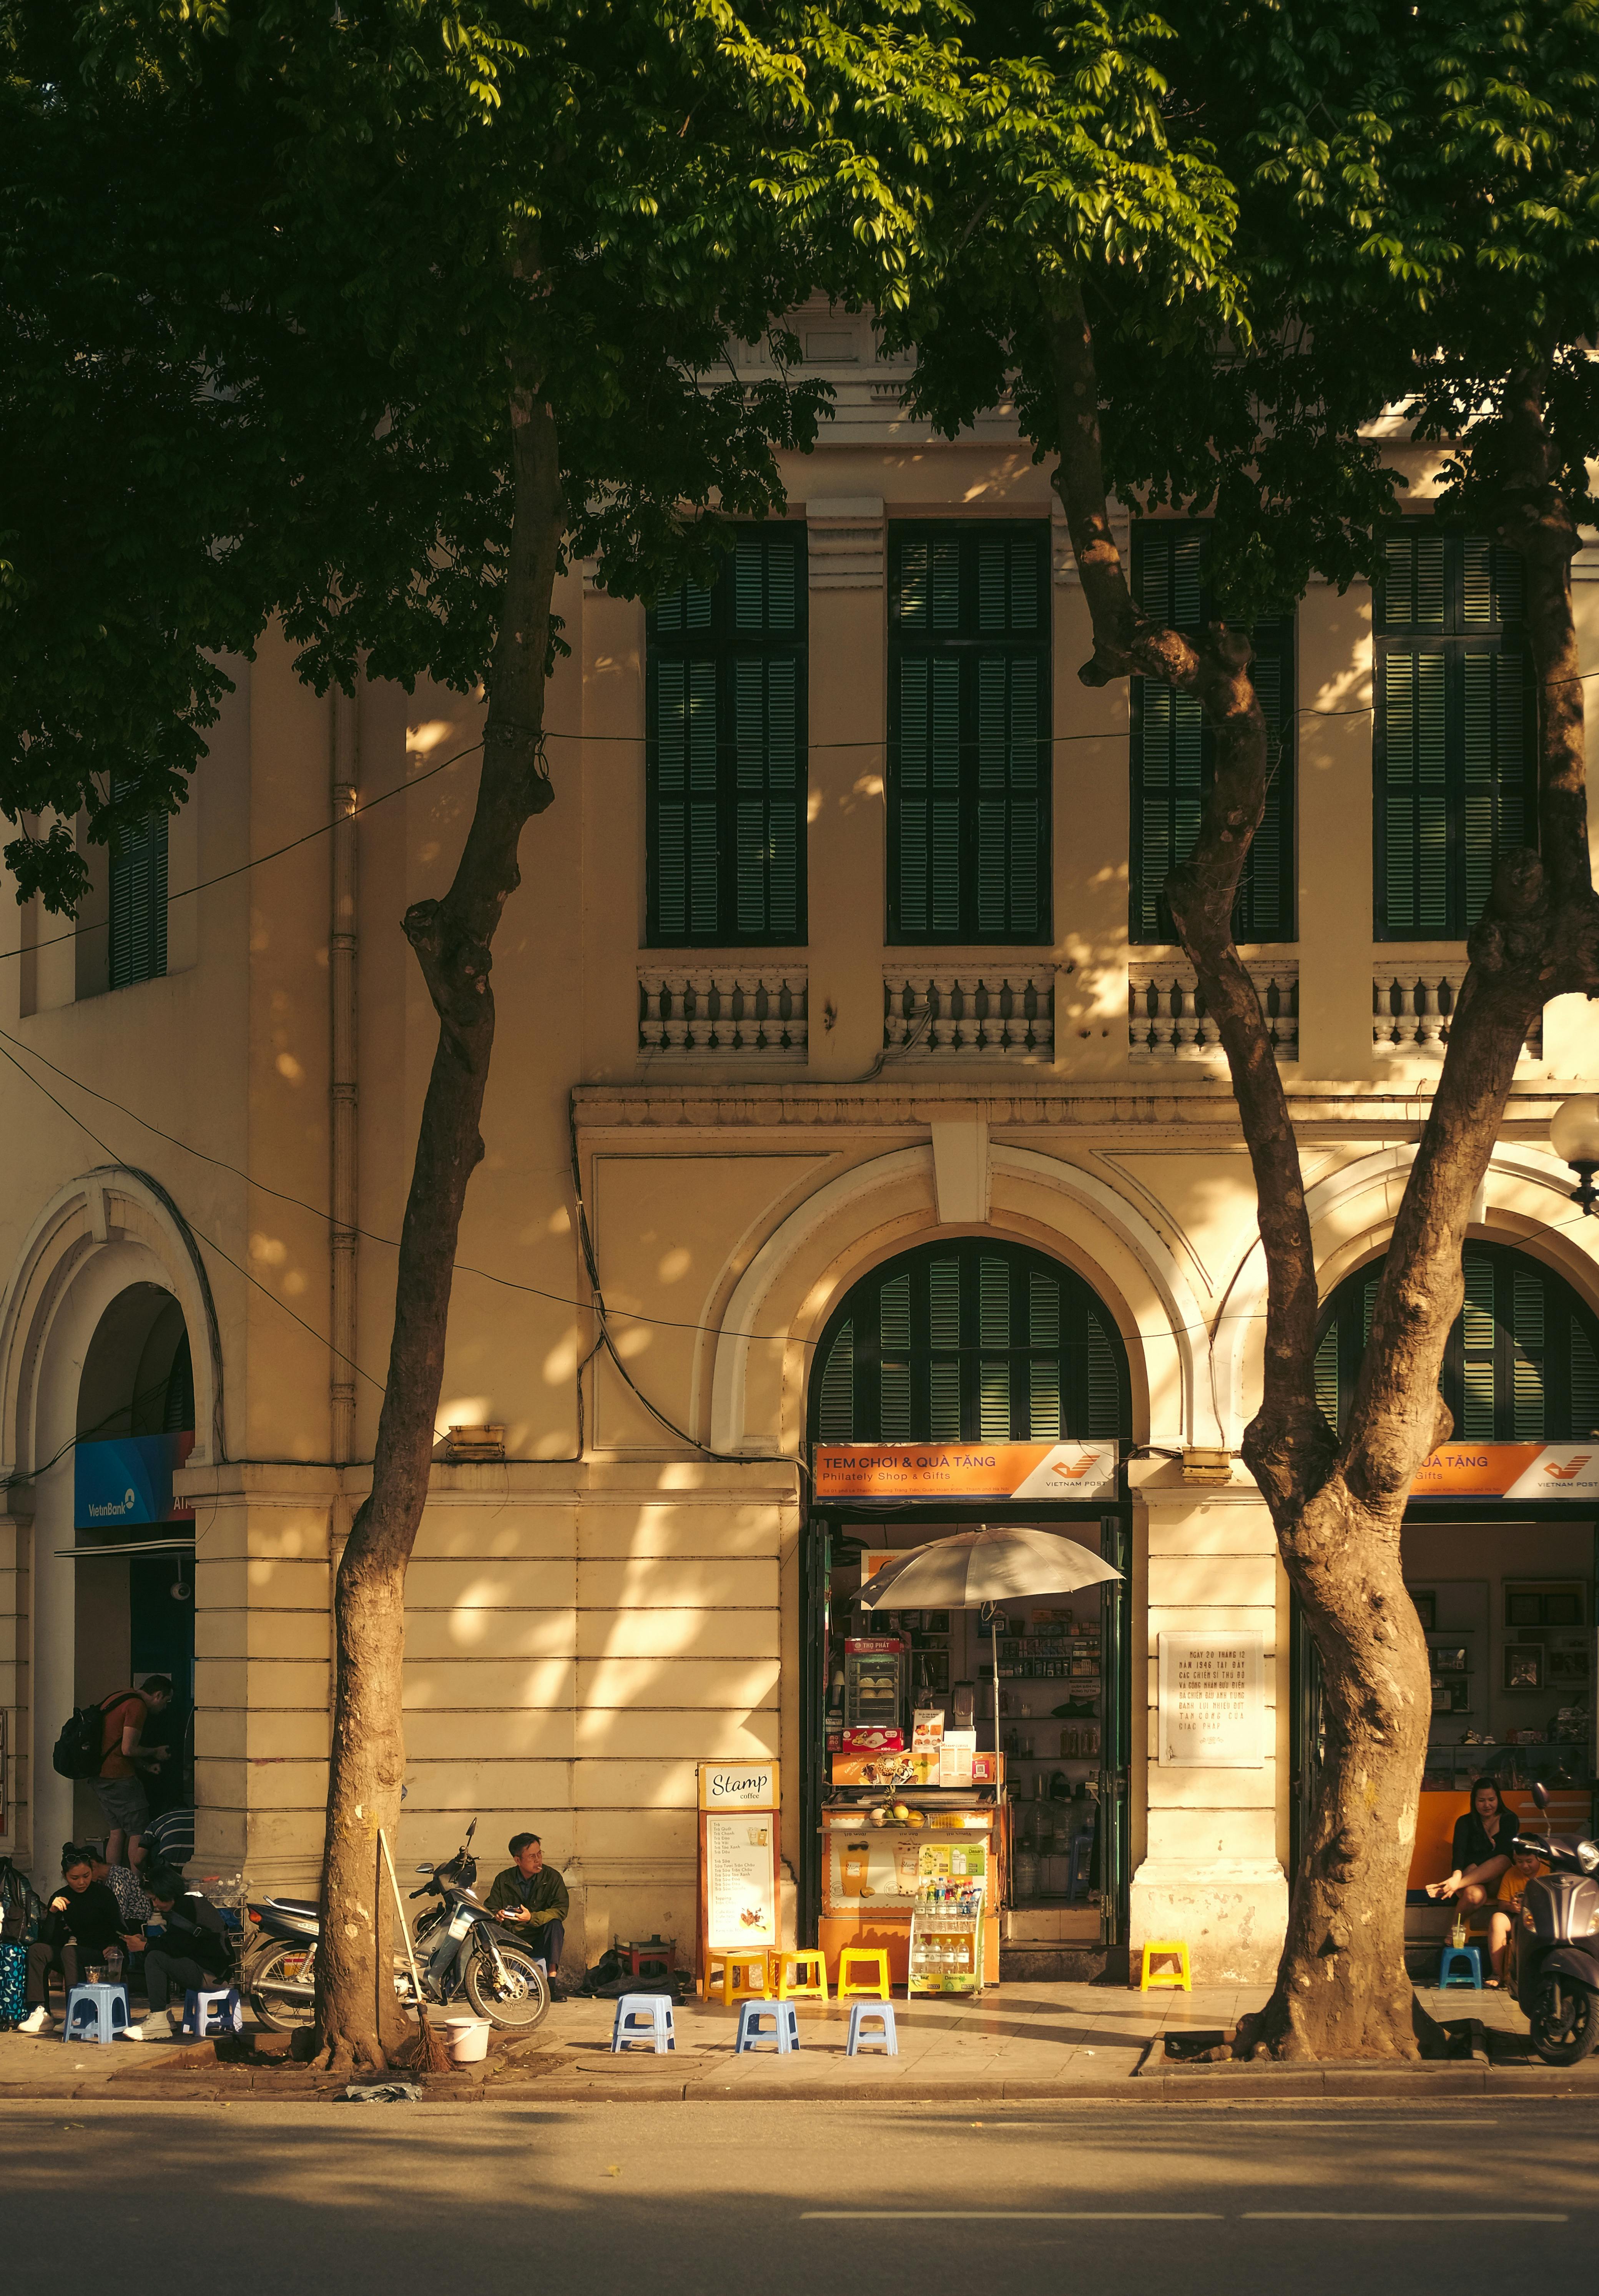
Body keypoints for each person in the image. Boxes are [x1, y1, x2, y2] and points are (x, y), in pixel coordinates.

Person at [18, 1844, 138, 2034]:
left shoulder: (103, 1895)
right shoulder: (60, 1896)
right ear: (65, 1876)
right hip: (73, 1957)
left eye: (86, 1876)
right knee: (38, 1950)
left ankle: (76, 2012)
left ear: (92, 1872)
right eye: (75, 1878)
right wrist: (52, 1914)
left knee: (70, 1951)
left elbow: (121, 1929)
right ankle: (41, 2012)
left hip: (100, 1956)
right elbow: (48, 1940)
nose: (82, 1882)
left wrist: (115, 1946)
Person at [123, 1867, 233, 2042]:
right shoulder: (188, 1904)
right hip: (213, 1971)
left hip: (212, 1976)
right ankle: (165, 2017)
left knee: (155, 1958)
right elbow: (178, 1940)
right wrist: (146, 1941)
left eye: (155, 1899)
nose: (155, 1905)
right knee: (156, 1953)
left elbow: (177, 1947)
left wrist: (145, 1947)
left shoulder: (186, 1906)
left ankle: (158, 2019)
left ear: (166, 1892)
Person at [90, 1675, 175, 1869]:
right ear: (158, 1695)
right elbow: (127, 1749)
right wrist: (156, 1752)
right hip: (120, 1778)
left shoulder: (119, 1696)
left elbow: (114, 1743)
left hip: (101, 1776)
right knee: (138, 1832)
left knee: (117, 1831)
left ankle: (115, 1884)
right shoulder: (137, 1707)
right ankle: (136, 1887)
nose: (165, 1708)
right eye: (166, 1702)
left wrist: (145, 1766)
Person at [1426, 1775, 1516, 1932]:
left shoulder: (1510, 1819)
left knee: (1503, 1859)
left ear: (1498, 1799)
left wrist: (1473, 1868)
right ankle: (1455, 1928)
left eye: (1491, 1800)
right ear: (1474, 1801)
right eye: (1481, 1801)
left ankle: (1452, 1887)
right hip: (1471, 1879)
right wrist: (1456, 1875)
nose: (1487, 1805)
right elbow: (1459, 1853)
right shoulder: (1464, 1822)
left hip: (1496, 1882)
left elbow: (1505, 1851)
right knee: (1474, 1895)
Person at [484, 1832, 570, 1993]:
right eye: (532, 1856)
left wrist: (532, 1918)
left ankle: (551, 1981)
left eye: (540, 1854)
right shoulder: (504, 1879)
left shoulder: (552, 1878)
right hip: (512, 1938)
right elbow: (490, 1908)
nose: (538, 1860)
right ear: (518, 1860)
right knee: (483, 1928)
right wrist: (497, 1914)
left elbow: (561, 1910)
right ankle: (490, 1979)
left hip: (539, 1938)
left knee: (556, 1925)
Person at [1485, 1838, 1547, 1989]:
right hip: (1518, 1919)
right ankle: (1497, 1974)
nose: (1524, 1866)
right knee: (1497, 1919)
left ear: (1539, 1858)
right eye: (1520, 1861)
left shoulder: (1549, 1870)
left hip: (1543, 1920)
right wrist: (1512, 1908)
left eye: (1529, 1861)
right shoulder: (1511, 1874)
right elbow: (1502, 1903)